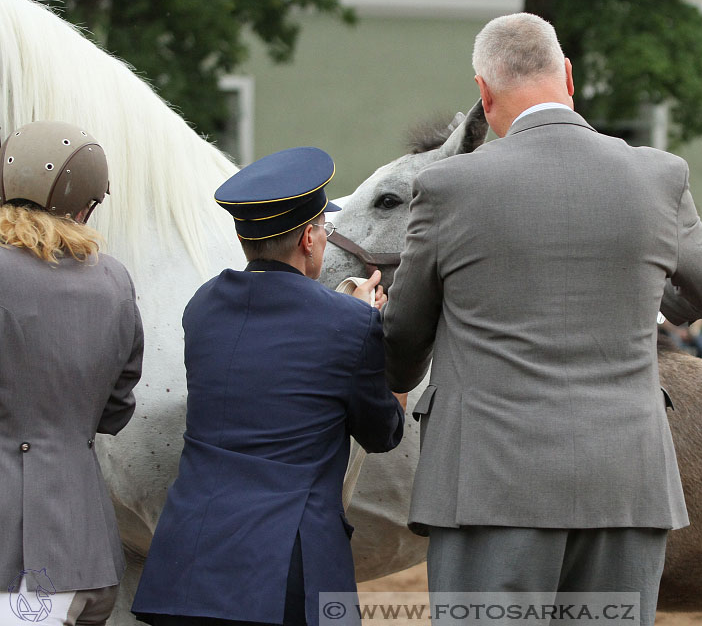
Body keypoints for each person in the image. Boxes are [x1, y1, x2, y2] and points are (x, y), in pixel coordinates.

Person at [382, 13, 702, 623]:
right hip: (626, 482)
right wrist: (650, 301)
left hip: (489, 486)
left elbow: (404, 342)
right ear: (568, 76)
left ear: (484, 92)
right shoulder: (659, 175)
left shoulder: (447, 187)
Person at [131, 147, 405, 626]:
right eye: (323, 228)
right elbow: (383, 434)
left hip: (189, 561)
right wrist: (375, 331)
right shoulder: (349, 323)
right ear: (307, 237)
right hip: (287, 571)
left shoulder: (203, 306)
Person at [0, 121, 143, 625]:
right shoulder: (115, 280)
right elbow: (115, 412)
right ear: (87, 205)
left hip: (14, 560)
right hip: (89, 553)